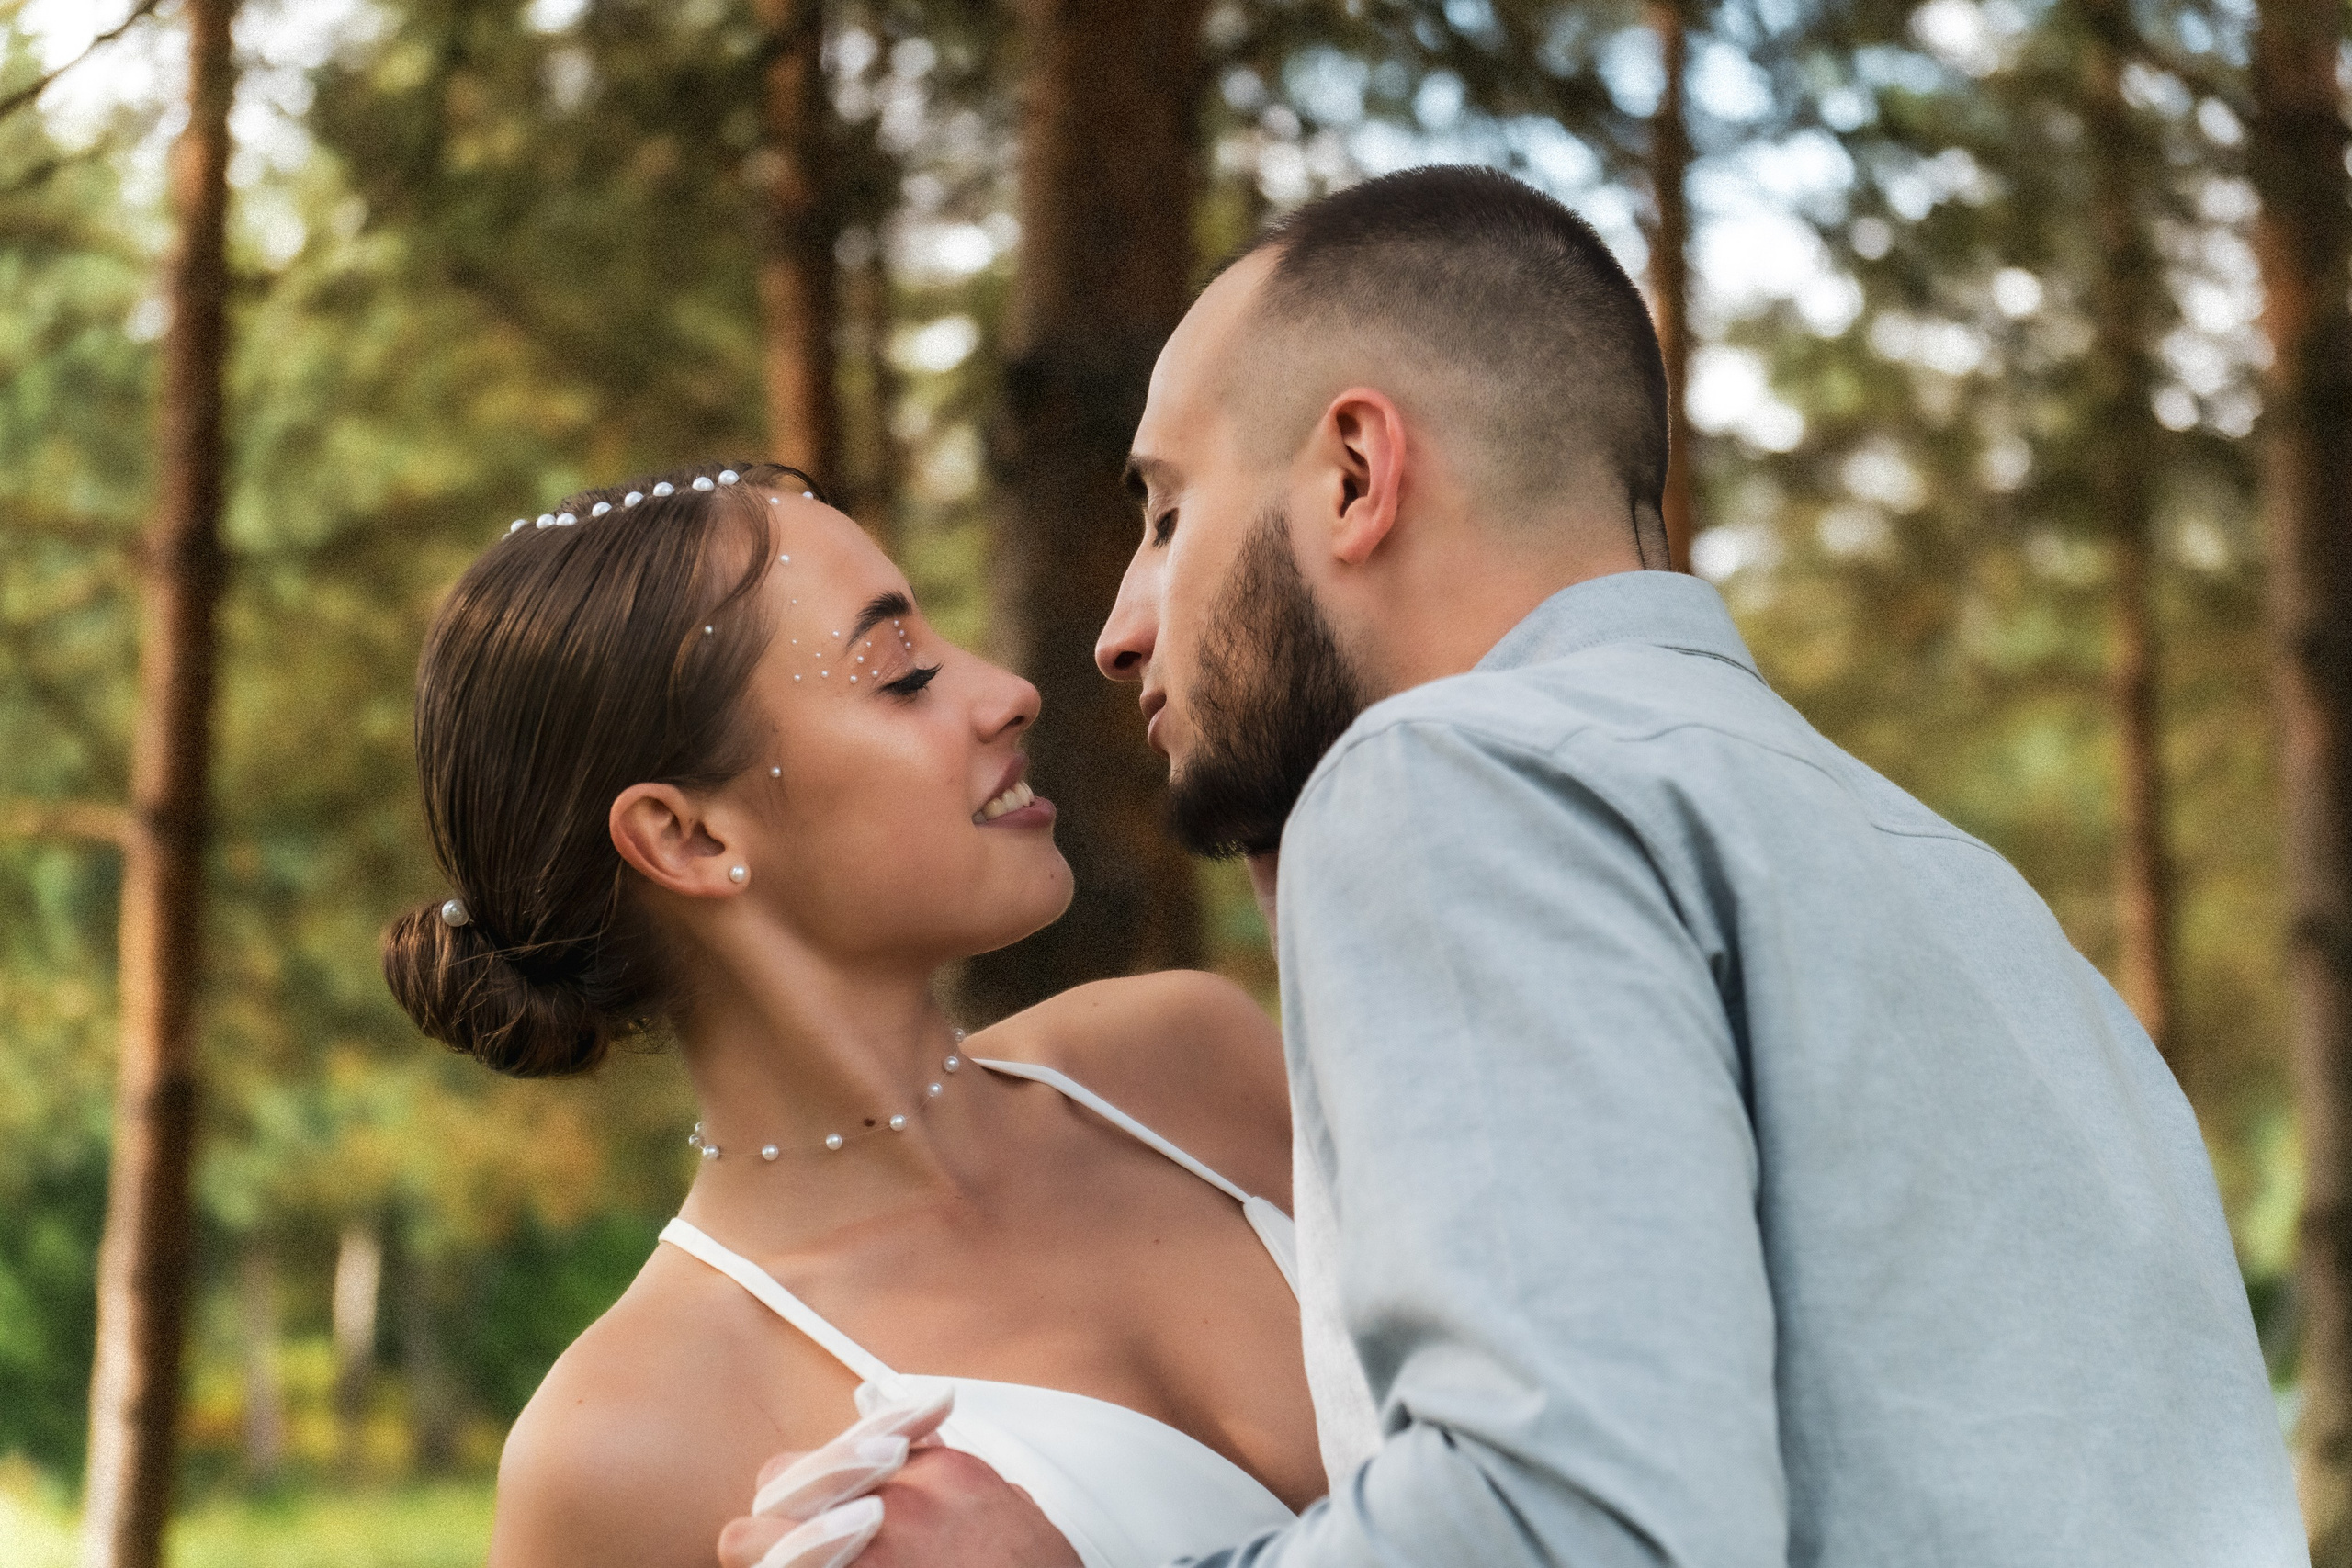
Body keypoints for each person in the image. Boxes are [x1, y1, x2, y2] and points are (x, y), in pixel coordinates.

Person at [725, 166, 2305, 1566]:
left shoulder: (1444, 777)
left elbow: (1573, 1522)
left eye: (1166, 511)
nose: (1119, 623)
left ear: (1354, 473)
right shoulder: (1963, 887)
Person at [379, 463, 1327, 1568]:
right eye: (903, 673)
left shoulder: (1192, 1060)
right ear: (689, 838)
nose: (1009, 689)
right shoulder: (618, 1450)